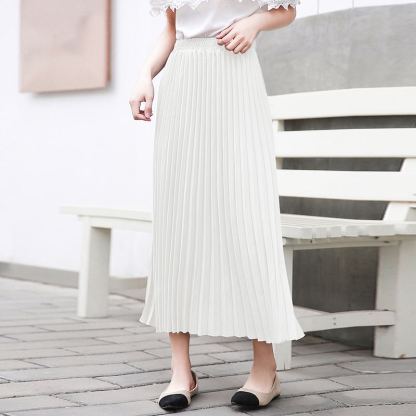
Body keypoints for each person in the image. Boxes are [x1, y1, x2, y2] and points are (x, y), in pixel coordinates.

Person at [129, 0, 304, 410]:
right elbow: (172, 30)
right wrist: (144, 74)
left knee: (248, 218)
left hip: (235, 78)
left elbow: (287, 9)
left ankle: (265, 369)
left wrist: (256, 21)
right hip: (183, 87)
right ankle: (180, 371)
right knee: (179, 222)